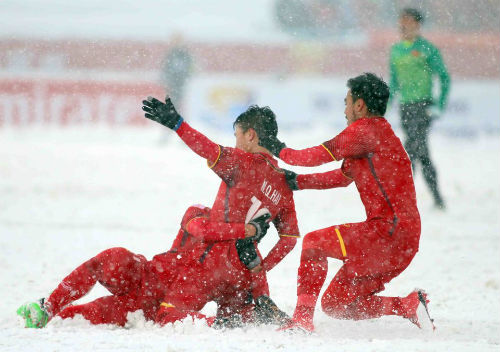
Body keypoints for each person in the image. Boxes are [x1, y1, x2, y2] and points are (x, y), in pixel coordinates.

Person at [259, 73, 434, 332]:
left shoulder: (364, 132)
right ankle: (406, 305)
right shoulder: (377, 136)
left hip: (389, 232)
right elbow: (341, 178)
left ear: (360, 105)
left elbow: (315, 155)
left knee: (314, 243)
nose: (344, 110)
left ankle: (301, 320)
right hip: (402, 241)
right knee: (336, 304)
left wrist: (277, 148)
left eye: (347, 102)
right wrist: (296, 182)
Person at [141, 98, 300, 326]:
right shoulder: (284, 184)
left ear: (251, 135)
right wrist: (259, 267)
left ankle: (218, 323)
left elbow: (206, 148)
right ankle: (246, 317)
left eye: (237, 136)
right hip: (245, 268)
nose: (235, 143)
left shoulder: (242, 161)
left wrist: (177, 124)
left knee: (168, 315)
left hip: (214, 258)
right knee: (243, 319)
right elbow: (289, 240)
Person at [16, 205, 275, 328]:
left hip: (143, 310)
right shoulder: (203, 215)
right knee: (114, 257)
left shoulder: (248, 264)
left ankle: (51, 316)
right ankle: (48, 305)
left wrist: (223, 321)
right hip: (140, 275)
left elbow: (247, 309)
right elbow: (198, 227)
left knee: (77, 317)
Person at [389, 8, 450, 209]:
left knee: (411, 150)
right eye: (401, 21)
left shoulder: (427, 49)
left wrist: (439, 105)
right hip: (406, 107)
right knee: (421, 152)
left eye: (408, 21)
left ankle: (402, 201)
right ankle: (437, 198)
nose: (403, 25)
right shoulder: (396, 50)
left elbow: (444, 77)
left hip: (423, 106)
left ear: (417, 24)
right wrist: (386, 104)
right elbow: (394, 82)